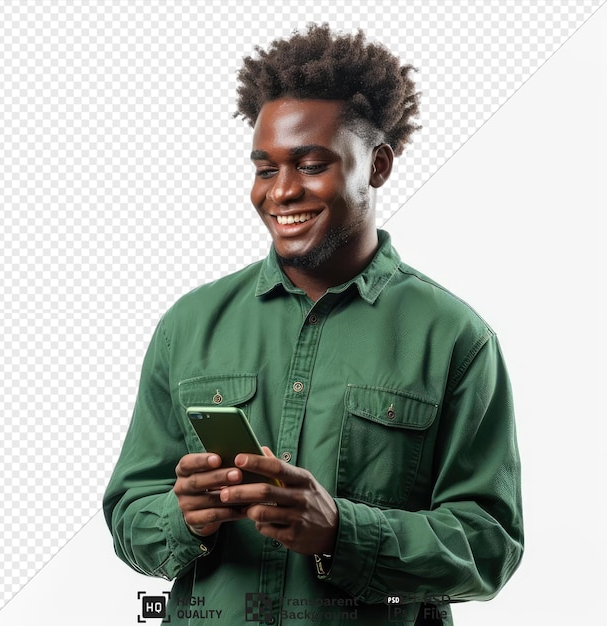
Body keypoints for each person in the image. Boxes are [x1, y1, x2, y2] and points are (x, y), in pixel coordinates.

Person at [103, 24, 523, 626]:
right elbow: (128, 513)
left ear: (377, 165)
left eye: (310, 163)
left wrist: (340, 533)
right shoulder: (188, 326)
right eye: (266, 168)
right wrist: (182, 516)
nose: (283, 192)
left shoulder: (456, 339)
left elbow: (488, 548)